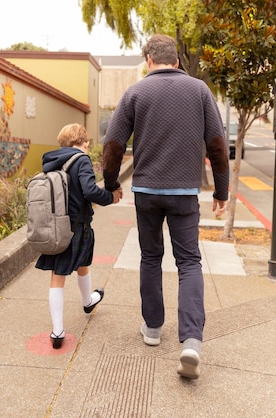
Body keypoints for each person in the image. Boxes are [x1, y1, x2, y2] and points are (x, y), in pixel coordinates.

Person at [102, 34, 229, 379]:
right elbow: (217, 145)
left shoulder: (135, 93)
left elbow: (113, 145)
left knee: (150, 257)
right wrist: (221, 190)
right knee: (189, 261)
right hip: (185, 193)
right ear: (177, 61)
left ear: (148, 60)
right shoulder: (200, 90)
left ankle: (153, 329)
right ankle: (191, 341)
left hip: (146, 191)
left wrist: (111, 184)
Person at [35, 123, 122, 349]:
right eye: (86, 142)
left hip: (56, 225)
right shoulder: (81, 159)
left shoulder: (51, 162)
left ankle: (74, 315)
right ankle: (73, 315)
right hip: (77, 226)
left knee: (65, 272)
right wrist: (110, 197)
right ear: (82, 141)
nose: (87, 145)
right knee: (78, 265)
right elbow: (89, 191)